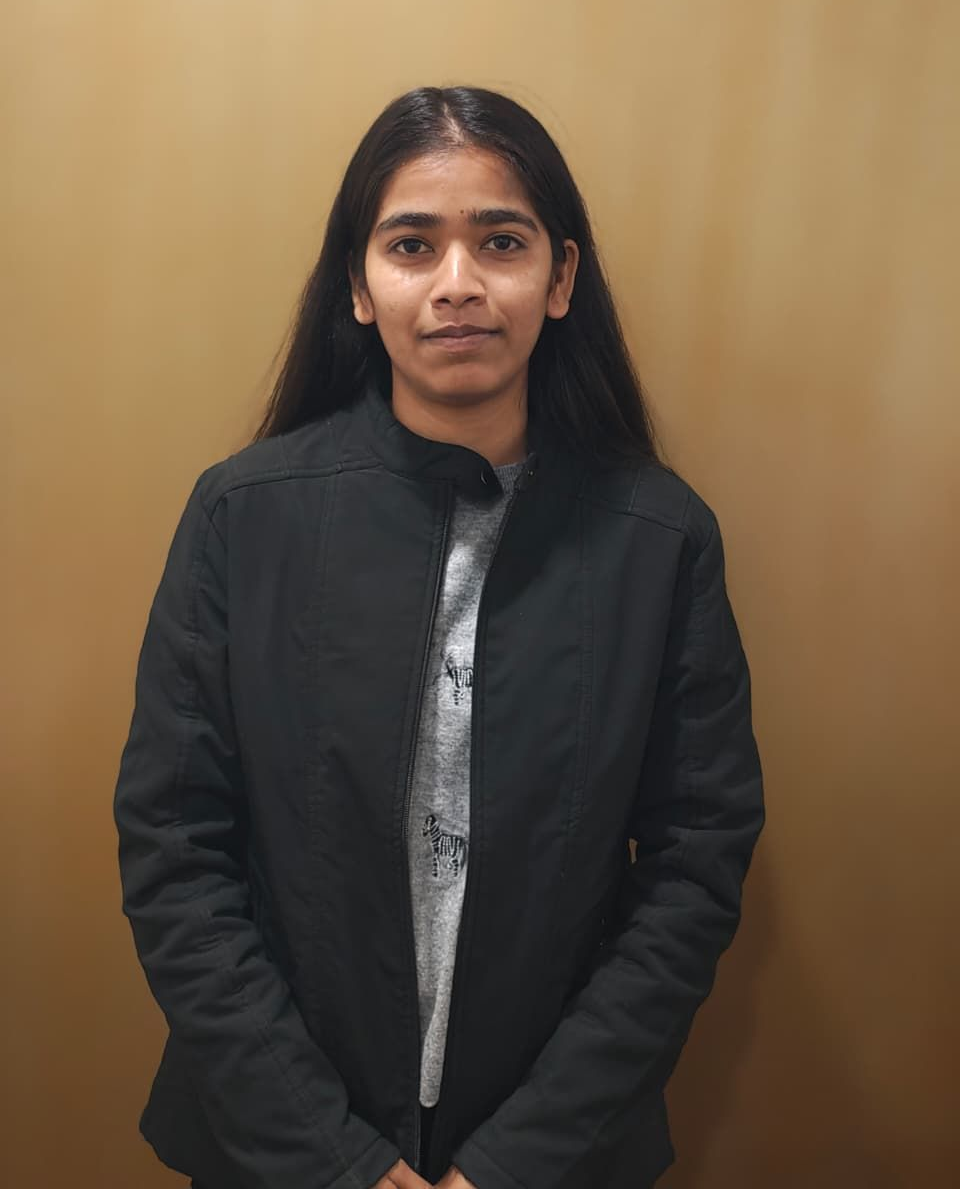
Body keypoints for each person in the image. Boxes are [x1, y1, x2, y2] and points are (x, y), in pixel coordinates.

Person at [113, 85, 765, 1189]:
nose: (457, 284)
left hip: (557, 1153)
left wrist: (509, 1164)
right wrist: (338, 1162)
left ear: (559, 278)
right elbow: (175, 850)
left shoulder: (660, 540)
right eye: (412, 244)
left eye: (499, 242)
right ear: (359, 288)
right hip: (274, 1151)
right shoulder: (243, 515)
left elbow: (696, 869)